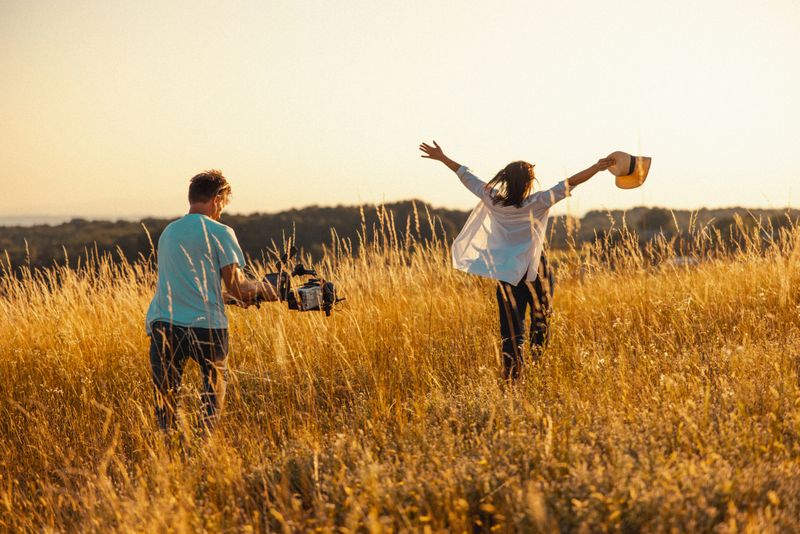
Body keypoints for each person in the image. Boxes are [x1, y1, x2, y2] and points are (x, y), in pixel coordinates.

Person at [419, 141, 614, 380]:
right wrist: (597, 167)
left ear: (506, 181)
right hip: (536, 271)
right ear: (528, 183)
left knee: (511, 331)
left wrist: (442, 157)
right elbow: (571, 182)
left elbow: (466, 176)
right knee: (541, 321)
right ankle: (537, 365)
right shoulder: (539, 201)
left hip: (507, 273)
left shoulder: (493, 200)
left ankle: (513, 377)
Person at [145, 169, 277, 435]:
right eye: (223, 205)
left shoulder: (168, 233)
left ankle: (169, 456)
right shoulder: (221, 232)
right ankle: (203, 451)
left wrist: (224, 298)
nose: (221, 212)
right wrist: (270, 288)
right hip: (207, 327)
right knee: (212, 395)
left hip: (164, 325)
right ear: (217, 198)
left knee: (165, 403)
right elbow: (239, 288)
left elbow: (187, 287)